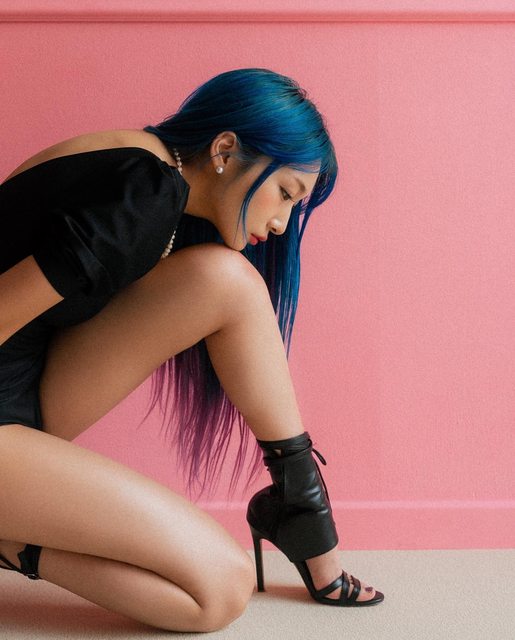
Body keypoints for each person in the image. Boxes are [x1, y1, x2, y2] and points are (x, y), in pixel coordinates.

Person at [0, 68, 384, 633]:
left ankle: (301, 508)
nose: (283, 223)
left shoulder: (143, 168)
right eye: (285, 194)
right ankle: (10, 542)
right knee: (220, 588)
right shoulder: (141, 199)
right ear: (224, 150)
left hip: (20, 386)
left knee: (227, 282)